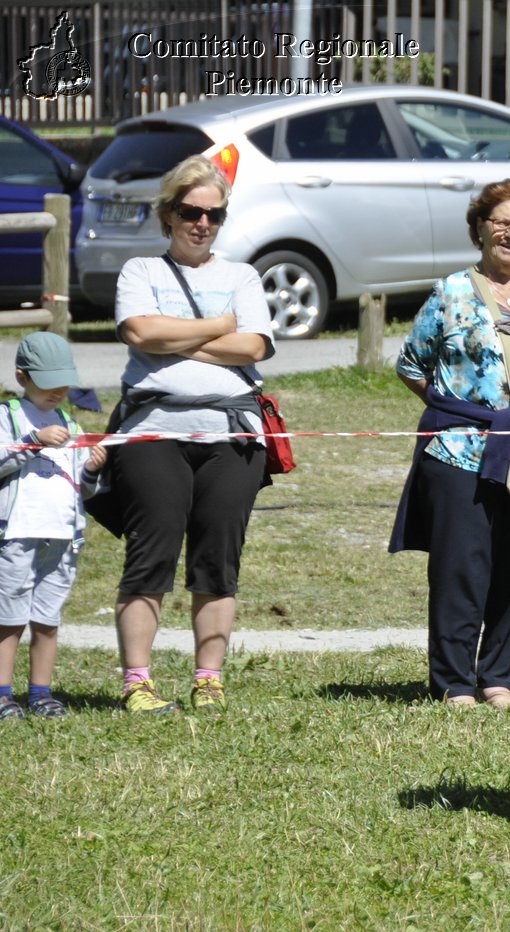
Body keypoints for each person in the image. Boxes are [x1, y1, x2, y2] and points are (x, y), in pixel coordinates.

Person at [110, 155, 275, 716]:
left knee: (217, 560)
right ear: (169, 214)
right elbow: (138, 330)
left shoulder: (242, 276)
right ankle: (138, 682)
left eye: (214, 214)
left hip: (232, 433)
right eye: (190, 212)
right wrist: (218, 327)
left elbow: (253, 348)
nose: (202, 223)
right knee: (150, 555)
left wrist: (172, 339)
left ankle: (209, 679)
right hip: (152, 429)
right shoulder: (140, 272)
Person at [390, 179, 510, 708]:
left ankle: (499, 679)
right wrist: (456, 412)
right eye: (502, 221)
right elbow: (411, 365)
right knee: (460, 570)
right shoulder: (451, 292)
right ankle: (454, 682)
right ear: (480, 226)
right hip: (460, 452)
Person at [0, 333, 107, 720]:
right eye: (49, 382)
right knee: (9, 618)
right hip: (15, 535)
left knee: (47, 619)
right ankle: (3, 693)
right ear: (22, 376)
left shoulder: (70, 423)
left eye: (64, 382)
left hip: (62, 537)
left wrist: (92, 469)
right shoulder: (7, 416)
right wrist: (33, 441)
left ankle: (41, 694)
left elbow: (84, 487)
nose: (58, 391)